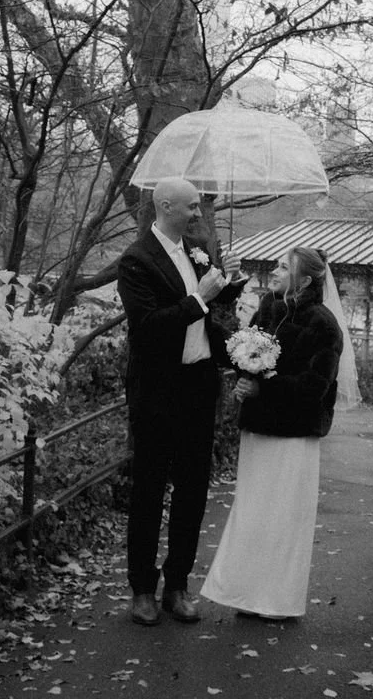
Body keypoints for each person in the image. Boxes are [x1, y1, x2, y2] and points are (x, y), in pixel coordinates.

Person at [116, 176, 245, 626]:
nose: (198, 213)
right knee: (149, 491)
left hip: (198, 387)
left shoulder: (199, 250)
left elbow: (207, 310)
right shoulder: (135, 261)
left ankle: (177, 585)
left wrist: (227, 288)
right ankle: (142, 591)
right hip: (156, 392)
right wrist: (199, 297)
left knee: (192, 491)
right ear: (165, 206)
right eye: (191, 207)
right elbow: (149, 328)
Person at [200, 246, 344, 620]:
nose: (276, 271)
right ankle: (247, 594)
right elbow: (246, 352)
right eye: (277, 264)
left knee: (283, 515)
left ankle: (277, 601)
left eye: (284, 267)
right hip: (260, 428)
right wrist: (245, 379)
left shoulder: (323, 324)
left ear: (307, 279)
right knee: (254, 512)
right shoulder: (268, 307)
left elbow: (315, 386)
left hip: (294, 435)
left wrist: (265, 388)